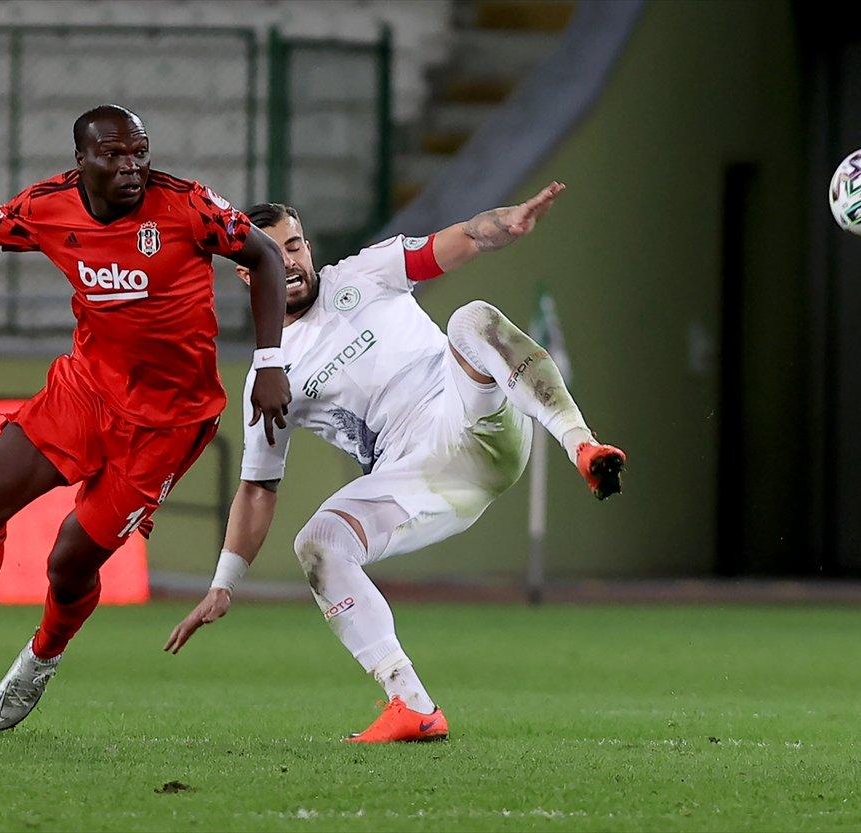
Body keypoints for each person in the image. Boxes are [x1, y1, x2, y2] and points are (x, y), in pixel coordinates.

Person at [0, 104, 293, 737]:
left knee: (69, 563)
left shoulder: (187, 205)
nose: (132, 167)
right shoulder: (47, 205)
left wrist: (270, 360)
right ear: (80, 161)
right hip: (85, 391)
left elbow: (266, 256)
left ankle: (42, 655)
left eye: (139, 152)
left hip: (167, 421)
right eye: (113, 155)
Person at [164, 183, 626, 742]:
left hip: (468, 413)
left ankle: (583, 446)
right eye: (271, 252)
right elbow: (259, 486)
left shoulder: (365, 273)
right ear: (245, 271)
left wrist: (505, 223)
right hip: (421, 480)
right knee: (318, 544)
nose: (288, 260)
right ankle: (411, 704)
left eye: (295, 245)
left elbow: (455, 241)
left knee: (469, 318)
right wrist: (223, 583)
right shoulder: (271, 374)